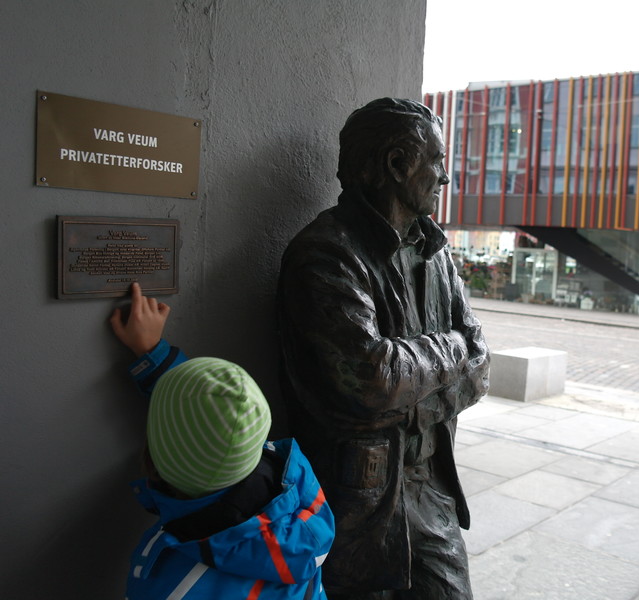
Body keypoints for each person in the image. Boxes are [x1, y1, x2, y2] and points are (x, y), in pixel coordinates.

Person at [277, 98, 490, 599]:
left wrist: (409, 407)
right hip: (358, 507)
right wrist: (450, 349)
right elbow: (373, 380)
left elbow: (480, 368)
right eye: (436, 161)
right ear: (396, 164)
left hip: (430, 490)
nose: (445, 177)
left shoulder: (434, 253)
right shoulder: (326, 253)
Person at [110, 282, 335, 599]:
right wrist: (153, 353)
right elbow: (219, 423)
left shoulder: (168, 585)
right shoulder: (297, 487)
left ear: (159, 461)